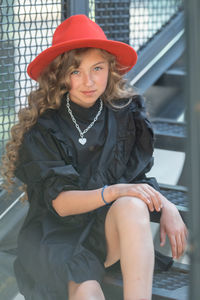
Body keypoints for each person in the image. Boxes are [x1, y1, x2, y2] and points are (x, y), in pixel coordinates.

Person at [2, 14, 187, 300]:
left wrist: (167, 206)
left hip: (104, 229)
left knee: (133, 205)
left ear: (110, 69)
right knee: (87, 293)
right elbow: (61, 205)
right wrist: (115, 190)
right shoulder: (44, 128)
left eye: (97, 68)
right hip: (57, 237)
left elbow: (135, 181)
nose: (88, 81)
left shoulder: (126, 115)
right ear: (60, 75)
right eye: (76, 72)